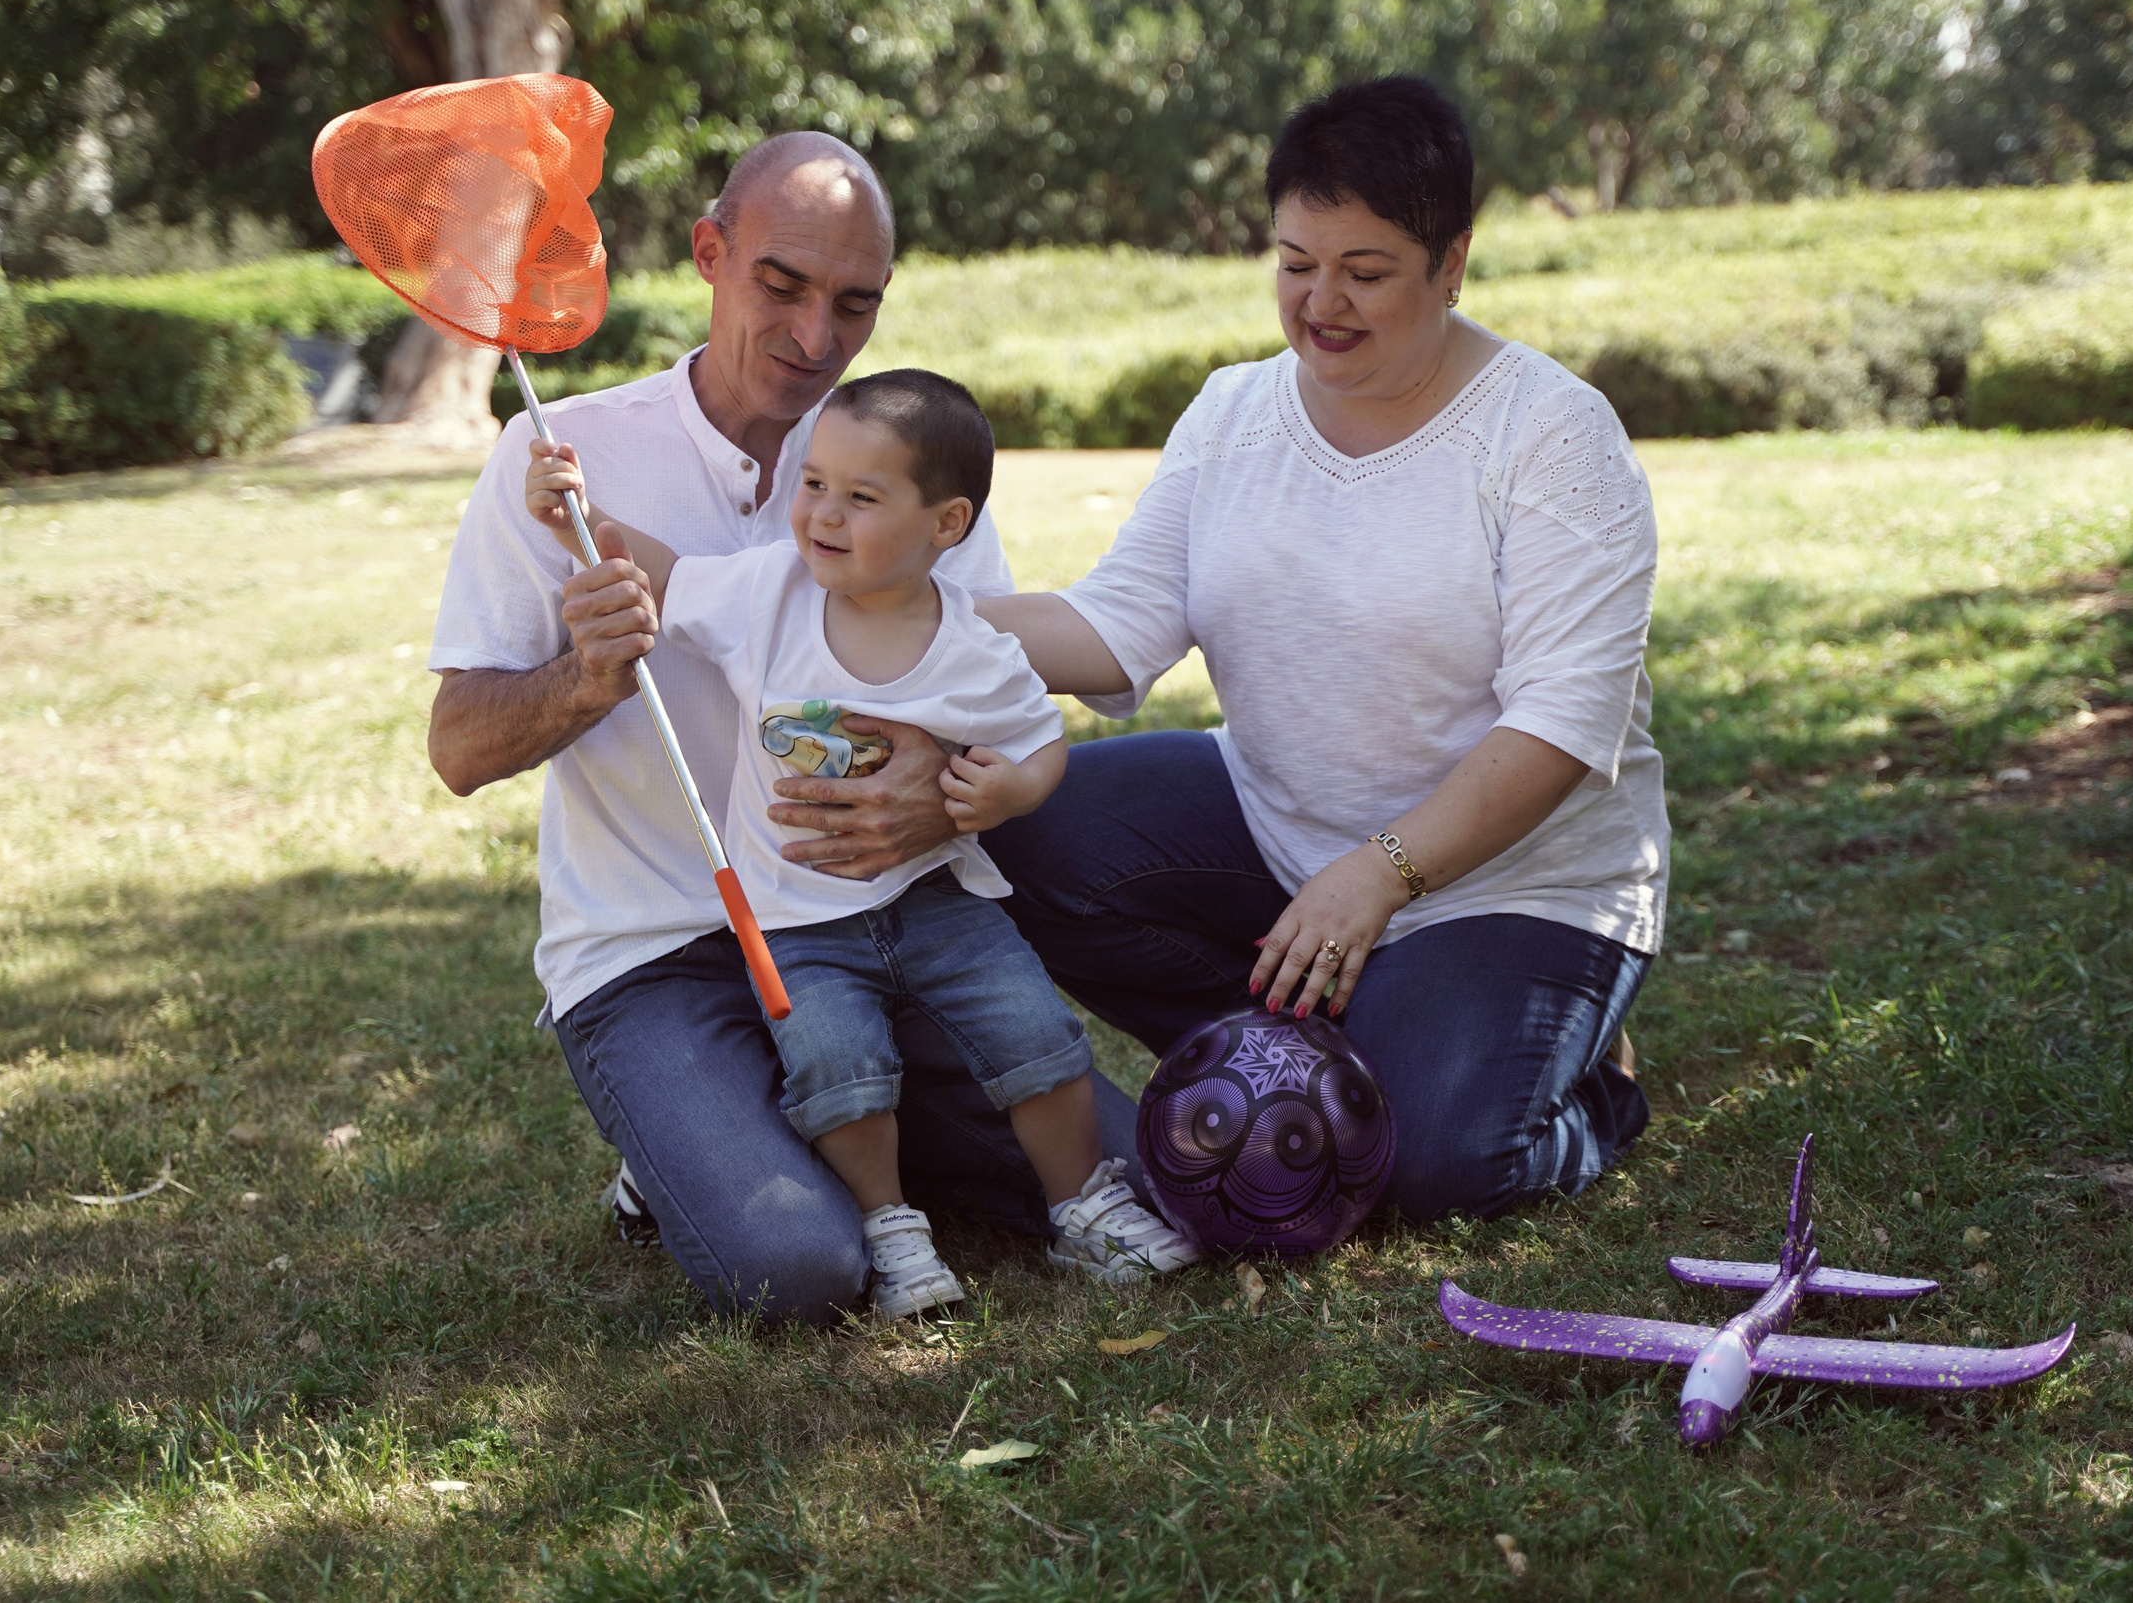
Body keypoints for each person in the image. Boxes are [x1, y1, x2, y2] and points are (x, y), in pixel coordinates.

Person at [424, 132, 1148, 1322]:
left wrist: (941, 784)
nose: (816, 338)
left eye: (854, 305)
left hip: (880, 921)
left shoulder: (900, 450)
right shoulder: (559, 457)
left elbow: (977, 685)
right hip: (657, 950)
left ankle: (789, 1115)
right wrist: (586, 679)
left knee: (1134, 1172)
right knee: (801, 1269)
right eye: (782, 286)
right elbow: (457, 748)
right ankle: (699, 1139)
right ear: (711, 254)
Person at [976, 76, 1664, 1220]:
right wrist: (917, 621)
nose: (1320, 304)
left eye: (1365, 271)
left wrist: (1379, 874)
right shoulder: (1232, 414)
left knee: (1421, 1167)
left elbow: (1556, 728)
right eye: (1296, 263)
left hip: (1518, 883)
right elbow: (1115, 629)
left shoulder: (1551, 437)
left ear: (1452, 262)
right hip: (1277, 826)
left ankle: (1596, 1089)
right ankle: (1309, 1053)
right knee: (1024, 835)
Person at [519, 369, 1198, 1318]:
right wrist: (578, 522)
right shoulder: (766, 596)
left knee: (1037, 1038)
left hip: (937, 906)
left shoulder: (970, 642)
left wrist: (1007, 791)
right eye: (815, 484)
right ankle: (889, 1224)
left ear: (946, 525)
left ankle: (1082, 1201)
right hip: (799, 923)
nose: (823, 516)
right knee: (840, 1070)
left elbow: (1039, 737)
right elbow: (662, 581)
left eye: (862, 497)